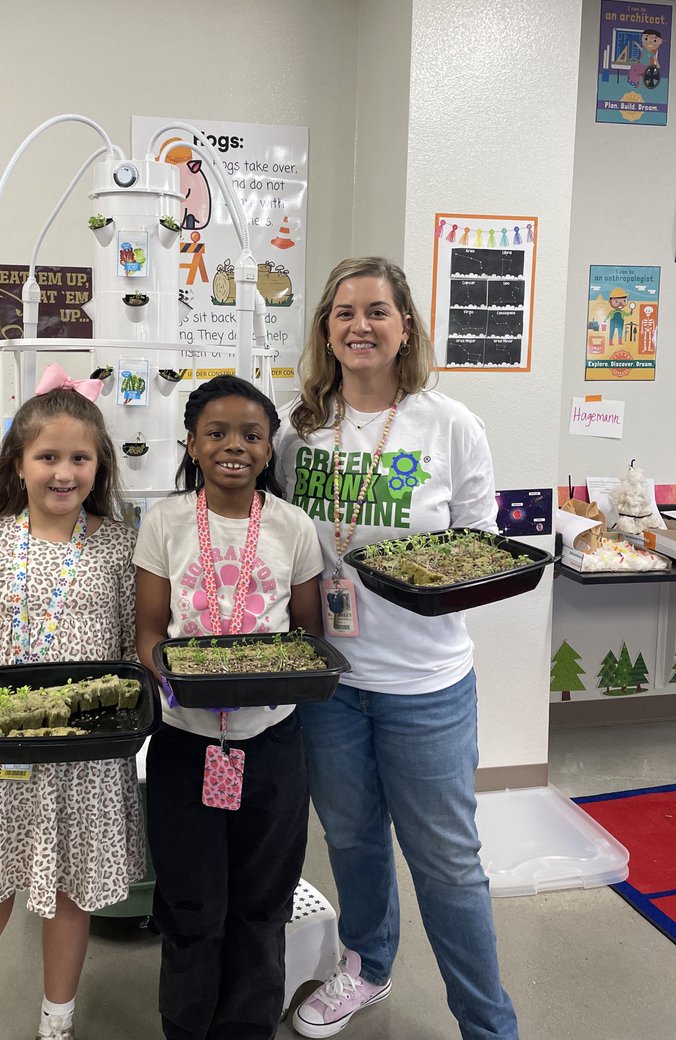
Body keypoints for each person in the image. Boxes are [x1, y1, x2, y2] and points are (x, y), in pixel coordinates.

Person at [274, 258, 519, 1039]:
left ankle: (488, 1024)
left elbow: (480, 546)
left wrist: (426, 582)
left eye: (377, 311)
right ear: (326, 329)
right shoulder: (295, 429)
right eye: (344, 312)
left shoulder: (450, 425)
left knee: (447, 862)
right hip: (329, 682)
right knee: (350, 838)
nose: (361, 326)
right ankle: (368, 966)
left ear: (405, 326)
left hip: (426, 684)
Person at [0, 367, 144, 1040]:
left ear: (99, 466)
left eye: (79, 458)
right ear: (19, 463)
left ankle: (56, 1023)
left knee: (71, 902)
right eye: (48, 457)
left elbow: (130, 652)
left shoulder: (117, 546)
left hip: (85, 762)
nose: (63, 473)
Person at [133, 375, 323, 1040]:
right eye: (216, 433)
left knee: (262, 898)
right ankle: (187, 1025)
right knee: (190, 899)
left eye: (251, 435)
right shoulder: (165, 521)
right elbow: (149, 632)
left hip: (272, 742)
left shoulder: (294, 527)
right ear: (192, 443)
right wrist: (179, 679)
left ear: (270, 449)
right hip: (185, 740)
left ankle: (247, 1025)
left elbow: (307, 634)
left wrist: (274, 679)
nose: (233, 446)